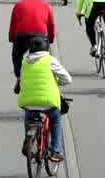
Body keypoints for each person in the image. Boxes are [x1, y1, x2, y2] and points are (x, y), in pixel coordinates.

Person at [17, 35, 71, 163]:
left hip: (28, 102)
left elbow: (22, 81)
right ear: (45, 48)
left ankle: (28, 140)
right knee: (56, 119)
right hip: (48, 102)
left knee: (29, 116)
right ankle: (56, 151)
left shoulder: (24, 62)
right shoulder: (49, 60)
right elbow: (67, 79)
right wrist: (56, 82)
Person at [9, 0, 55, 92]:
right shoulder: (45, 5)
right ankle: (43, 79)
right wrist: (51, 39)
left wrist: (12, 38)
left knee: (17, 56)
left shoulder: (18, 5)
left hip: (22, 36)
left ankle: (19, 77)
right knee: (42, 58)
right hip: (41, 36)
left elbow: (13, 24)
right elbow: (51, 24)